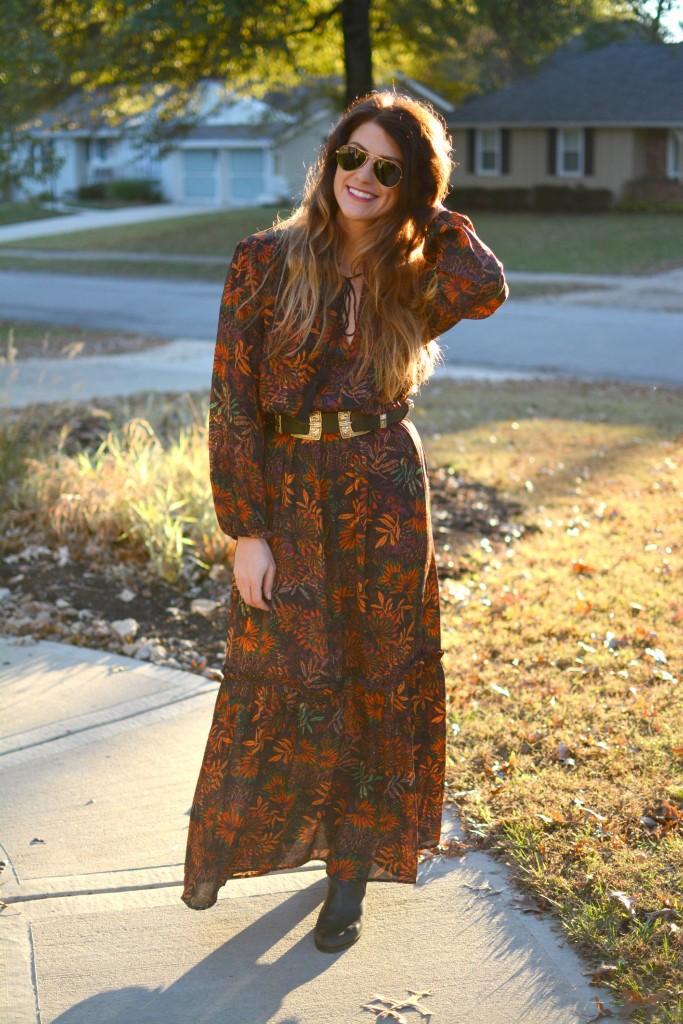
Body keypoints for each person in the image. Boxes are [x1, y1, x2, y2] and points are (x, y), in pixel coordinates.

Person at [182, 90, 508, 952]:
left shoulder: (416, 272)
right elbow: (230, 401)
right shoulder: (263, 260)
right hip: (289, 495)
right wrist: (245, 530)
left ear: (411, 187)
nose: (363, 177)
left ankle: (348, 877)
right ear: (327, 160)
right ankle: (243, 839)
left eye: (388, 169)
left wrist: (431, 213)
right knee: (290, 672)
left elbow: (485, 285)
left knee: (376, 677)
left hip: (385, 491)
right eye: (352, 157)